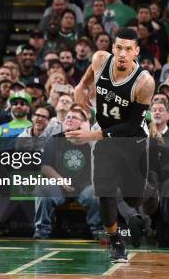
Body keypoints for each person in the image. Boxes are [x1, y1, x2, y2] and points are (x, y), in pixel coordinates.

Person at [72, 28, 155, 263]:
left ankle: (149, 193)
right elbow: (91, 71)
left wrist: (95, 135)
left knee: (133, 200)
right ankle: (116, 242)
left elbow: (130, 125)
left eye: (128, 49)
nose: (122, 53)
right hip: (104, 140)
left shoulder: (145, 82)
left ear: (136, 52)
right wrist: (81, 86)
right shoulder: (100, 59)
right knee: (105, 193)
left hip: (132, 141)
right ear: (112, 48)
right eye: (118, 47)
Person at [33, 106, 101, 239]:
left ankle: (98, 230)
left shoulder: (90, 141)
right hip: (59, 186)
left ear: (83, 123)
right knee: (42, 188)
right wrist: (60, 180)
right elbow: (45, 166)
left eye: (75, 118)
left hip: (84, 187)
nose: (69, 119)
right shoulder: (54, 139)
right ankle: (42, 231)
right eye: (68, 117)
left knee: (97, 190)